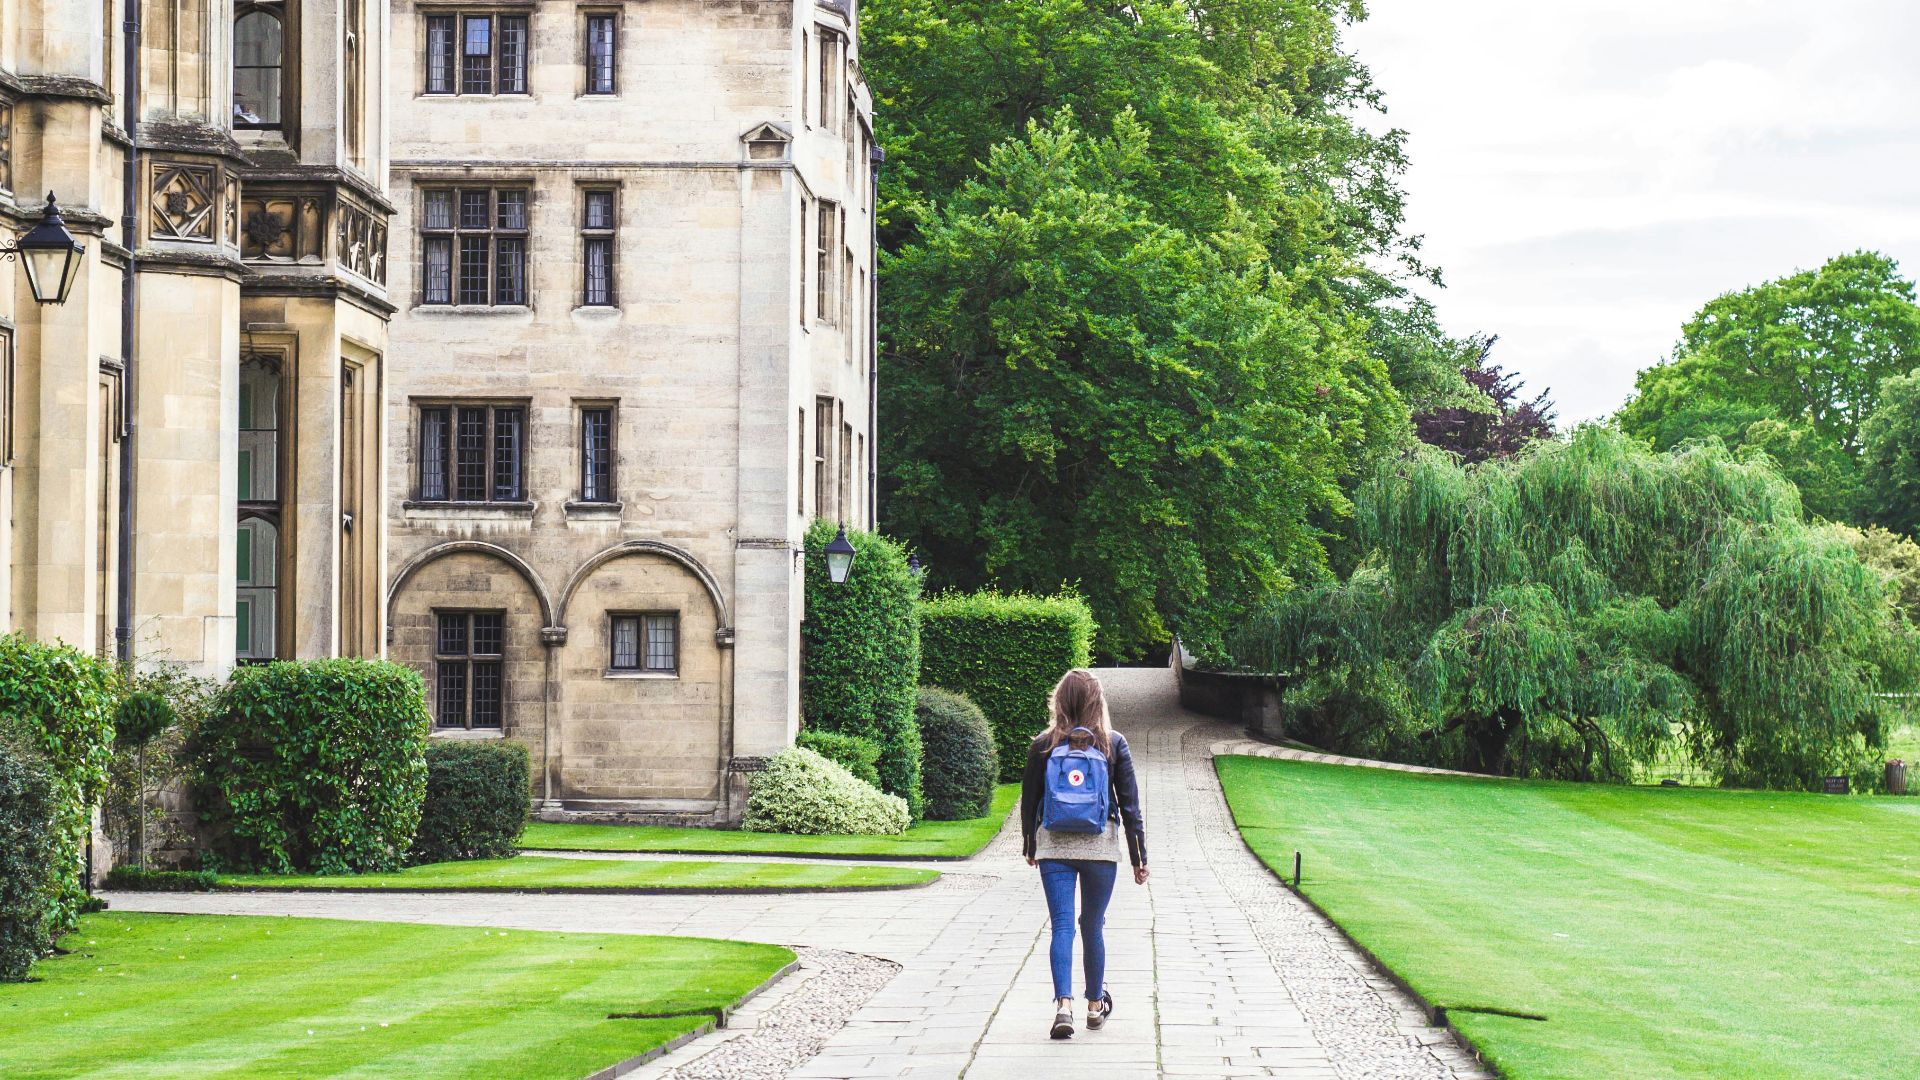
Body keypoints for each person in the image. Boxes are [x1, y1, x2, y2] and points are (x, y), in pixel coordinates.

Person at [1021, 668, 1148, 1040]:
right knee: (1092, 926)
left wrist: (1031, 846)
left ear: (1059, 700)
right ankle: (1095, 1006)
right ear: (1098, 701)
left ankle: (1064, 1005)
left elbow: (1029, 803)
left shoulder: (1044, 744)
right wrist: (1139, 857)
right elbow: (1130, 807)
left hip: (1054, 846)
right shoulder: (1112, 743)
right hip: (1101, 848)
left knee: (1061, 925)